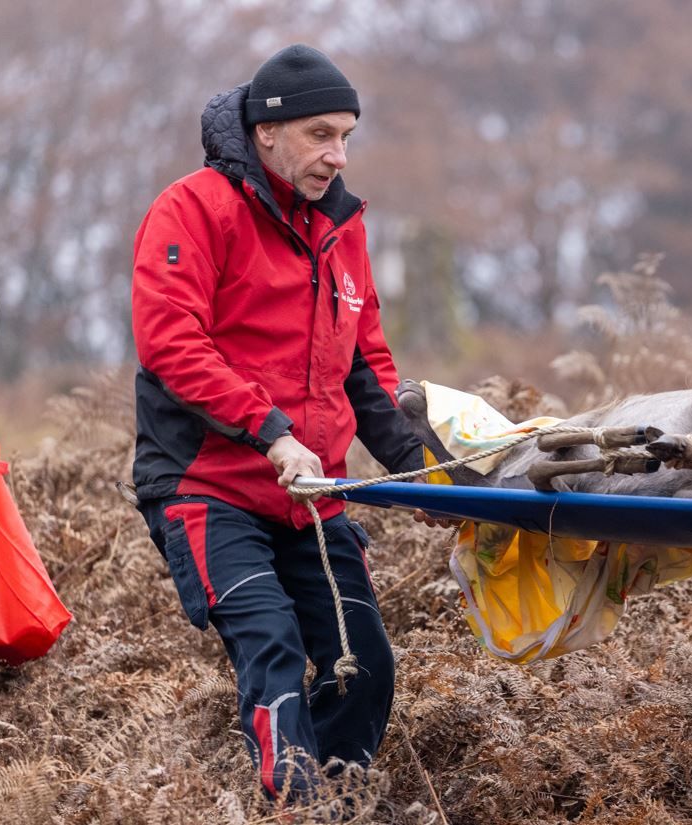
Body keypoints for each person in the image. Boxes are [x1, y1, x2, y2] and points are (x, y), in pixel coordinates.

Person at [130, 44, 429, 800]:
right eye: (321, 135)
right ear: (268, 132)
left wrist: (423, 467)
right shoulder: (192, 208)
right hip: (207, 486)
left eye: (347, 136)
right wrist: (271, 430)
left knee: (364, 663)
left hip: (311, 491)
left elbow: (364, 365)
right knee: (273, 647)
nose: (338, 154)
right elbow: (171, 344)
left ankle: (340, 802)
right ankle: (292, 808)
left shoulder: (345, 227)